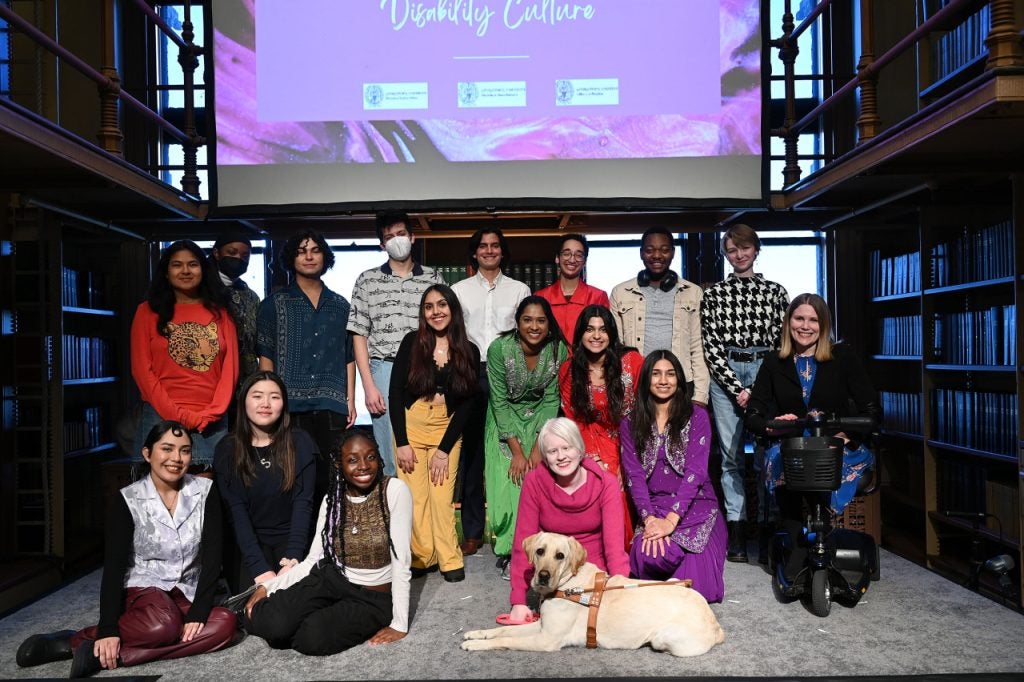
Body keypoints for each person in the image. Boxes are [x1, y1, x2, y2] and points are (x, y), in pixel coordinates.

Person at [16, 421, 239, 677]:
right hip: (146, 588)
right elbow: (113, 567)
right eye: (167, 449)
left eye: (184, 450)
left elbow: (213, 557)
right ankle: (73, 640)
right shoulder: (128, 498)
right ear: (147, 453)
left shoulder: (205, 491)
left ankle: (109, 654)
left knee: (226, 625)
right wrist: (108, 627)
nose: (176, 458)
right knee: (164, 626)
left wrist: (199, 611)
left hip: (186, 591)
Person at [745, 293, 881, 581]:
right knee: (782, 460)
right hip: (791, 445)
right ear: (788, 322)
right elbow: (753, 416)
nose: (805, 326)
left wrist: (848, 431)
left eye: (813, 320)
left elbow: (872, 410)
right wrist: (772, 425)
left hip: (835, 444)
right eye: (799, 318)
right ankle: (796, 541)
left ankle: (824, 538)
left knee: (827, 462)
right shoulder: (773, 361)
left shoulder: (843, 357)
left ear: (823, 324)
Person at [243, 430, 413, 654]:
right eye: (352, 460)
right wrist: (268, 586)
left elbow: (402, 562)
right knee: (273, 623)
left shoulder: (394, 491)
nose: (363, 466)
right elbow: (313, 559)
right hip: (332, 579)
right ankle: (282, 618)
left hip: (372, 598)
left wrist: (399, 624)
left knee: (311, 638)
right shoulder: (332, 499)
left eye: (370, 457)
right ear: (338, 464)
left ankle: (300, 621)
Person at [700, 224, 789, 563]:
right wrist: (737, 389)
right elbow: (711, 348)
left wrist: (758, 389)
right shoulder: (715, 295)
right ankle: (737, 529)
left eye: (744, 248)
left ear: (756, 249)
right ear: (725, 254)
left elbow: (782, 345)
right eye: (732, 250)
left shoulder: (775, 292)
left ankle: (767, 529)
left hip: (765, 371)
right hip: (726, 376)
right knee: (731, 456)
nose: (739, 255)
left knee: (768, 453)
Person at [620, 351, 727, 603]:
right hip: (654, 510)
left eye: (670, 374)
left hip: (697, 509)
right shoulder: (630, 422)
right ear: (646, 379)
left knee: (698, 590)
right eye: (656, 374)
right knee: (650, 557)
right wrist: (649, 520)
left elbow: (696, 473)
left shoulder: (697, 416)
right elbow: (634, 476)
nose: (663, 380)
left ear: (679, 379)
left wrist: (671, 521)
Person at [257, 230, 356, 503]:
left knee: (332, 478)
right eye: (301, 251)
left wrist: (350, 400)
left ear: (326, 257)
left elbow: (349, 356)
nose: (309, 256)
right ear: (291, 258)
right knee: (294, 478)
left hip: (332, 403)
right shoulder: (273, 305)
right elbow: (266, 358)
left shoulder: (340, 306)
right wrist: (269, 402)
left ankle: (329, 541)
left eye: (315, 250)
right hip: (290, 407)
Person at [389, 284, 480, 582]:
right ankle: (422, 555)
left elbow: (466, 404)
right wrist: (401, 442)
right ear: (423, 313)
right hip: (412, 426)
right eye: (429, 307)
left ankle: (449, 557)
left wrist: (444, 449)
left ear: (452, 309)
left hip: (446, 428)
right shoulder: (411, 342)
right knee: (415, 498)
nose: (436, 311)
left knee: (441, 498)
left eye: (442, 305)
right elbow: (394, 393)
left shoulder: (469, 349)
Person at [503, 417, 629, 625]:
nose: (561, 457)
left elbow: (615, 548)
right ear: (545, 456)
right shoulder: (534, 482)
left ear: (579, 450)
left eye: (566, 448)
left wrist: (620, 590)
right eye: (552, 451)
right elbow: (522, 542)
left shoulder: (606, 483)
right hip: (551, 568)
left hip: (590, 569)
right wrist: (519, 600)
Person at [451, 227, 530, 556]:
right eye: (483, 246)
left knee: (506, 452)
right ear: (474, 252)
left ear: (502, 251)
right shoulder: (458, 290)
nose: (488, 251)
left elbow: (528, 332)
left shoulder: (519, 289)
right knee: (471, 454)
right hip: (468, 373)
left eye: (495, 246)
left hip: (506, 375)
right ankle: (472, 531)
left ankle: (514, 528)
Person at [348, 212, 442, 478]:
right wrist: (368, 386)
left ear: (412, 237)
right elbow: (359, 334)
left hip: (425, 368)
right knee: (391, 454)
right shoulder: (367, 280)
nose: (396, 240)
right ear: (381, 245)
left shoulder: (433, 278)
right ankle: (395, 516)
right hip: (384, 369)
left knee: (424, 447)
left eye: (401, 234)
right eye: (389, 237)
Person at [130, 240, 238, 469]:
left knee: (208, 497)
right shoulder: (147, 311)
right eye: (177, 265)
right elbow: (142, 370)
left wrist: (212, 413)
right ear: (166, 273)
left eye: (193, 264)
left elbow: (231, 369)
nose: (186, 271)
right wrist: (176, 413)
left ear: (203, 269)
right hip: (160, 413)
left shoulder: (220, 312)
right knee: (159, 500)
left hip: (212, 419)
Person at [485, 296, 568, 577]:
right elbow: (498, 400)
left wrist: (536, 448)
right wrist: (517, 451)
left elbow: (551, 400)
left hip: (540, 423)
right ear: (517, 323)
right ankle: (510, 551)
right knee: (508, 486)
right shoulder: (499, 349)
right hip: (503, 420)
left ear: (549, 324)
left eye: (541, 321)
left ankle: (533, 554)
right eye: (527, 320)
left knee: (537, 483)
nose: (534, 326)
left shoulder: (558, 350)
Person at [214, 371, 317, 593]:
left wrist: (293, 558)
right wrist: (259, 568)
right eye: (257, 396)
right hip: (249, 544)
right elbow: (236, 512)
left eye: (275, 397)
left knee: (291, 607)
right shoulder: (228, 449)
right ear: (244, 402)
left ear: (283, 404)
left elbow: (303, 505)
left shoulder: (300, 442)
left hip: (292, 540)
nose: (266, 404)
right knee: (253, 613)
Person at [608, 226, 711, 405]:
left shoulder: (693, 293)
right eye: (650, 250)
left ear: (672, 252)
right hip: (636, 382)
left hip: (681, 382)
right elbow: (616, 347)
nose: (657, 255)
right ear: (641, 253)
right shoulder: (620, 292)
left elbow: (698, 347)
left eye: (664, 250)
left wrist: (700, 396)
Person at [535, 233, 609, 340]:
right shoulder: (541, 297)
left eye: (578, 255)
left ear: (585, 261)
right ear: (557, 258)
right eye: (566, 253)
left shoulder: (598, 296)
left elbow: (605, 335)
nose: (572, 260)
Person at [210, 233, 261, 386]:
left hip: (247, 378)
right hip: (213, 377)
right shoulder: (202, 290)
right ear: (217, 253)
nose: (238, 258)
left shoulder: (251, 295)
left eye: (245, 255)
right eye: (232, 253)